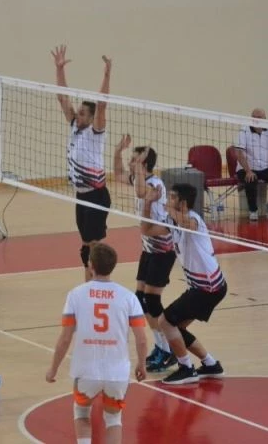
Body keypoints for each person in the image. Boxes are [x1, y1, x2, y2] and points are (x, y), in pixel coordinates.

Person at [45, 243, 147, 444]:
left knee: (82, 413)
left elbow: (65, 338)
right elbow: (142, 339)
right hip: (117, 372)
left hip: (86, 371)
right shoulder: (128, 297)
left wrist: (53, 369)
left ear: (90, 265)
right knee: (113, 419)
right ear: (113, 266)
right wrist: (142, 364)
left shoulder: (76, 295)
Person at [141, 183, 227, 385]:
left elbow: (187, 224)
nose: (167, 200)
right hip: (203, 288)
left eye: (172, 197)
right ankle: (211, 364)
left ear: (183, 202)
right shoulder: (172, 221)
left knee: (165, 322)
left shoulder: (194, 219)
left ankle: (186, 368)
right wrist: (148, 203)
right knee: (176, 328)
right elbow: (146, 230)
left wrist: (168, 209)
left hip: (208, 287)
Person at [113, 138, 176, 372]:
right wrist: (117, 151)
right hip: (149, 248)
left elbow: (141, 193)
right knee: (140, 299)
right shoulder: (140, 179)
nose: (130, 163)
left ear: (144, 164)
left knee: (152, 301)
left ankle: (169, 350)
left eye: (134, 160)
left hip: (163, 249)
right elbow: (117, 174)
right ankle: (161, 347)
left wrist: (138, 166)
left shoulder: (155, 185)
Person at [52, 45, 112, 281]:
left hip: (97, 196)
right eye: (78, 113)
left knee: (95, 247)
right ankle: (90, 285)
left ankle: (99, 285)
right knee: (86, 246)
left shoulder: (95, 132)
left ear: (92, 117)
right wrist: (59, 70)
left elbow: (102, 103)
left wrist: (107, 74)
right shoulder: (75, 128)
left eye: (83, 113)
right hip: (81, 196)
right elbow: (62, 98)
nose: (78, 116)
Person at [234, 108, 268, 221]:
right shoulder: (244, 130)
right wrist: (248, 171)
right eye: (254, 117)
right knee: (251, 179)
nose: (257, 120)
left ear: (265, 118)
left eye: (260, 117)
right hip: (246, 168)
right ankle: (253, 210)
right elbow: (239, 153)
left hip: (265, 167)